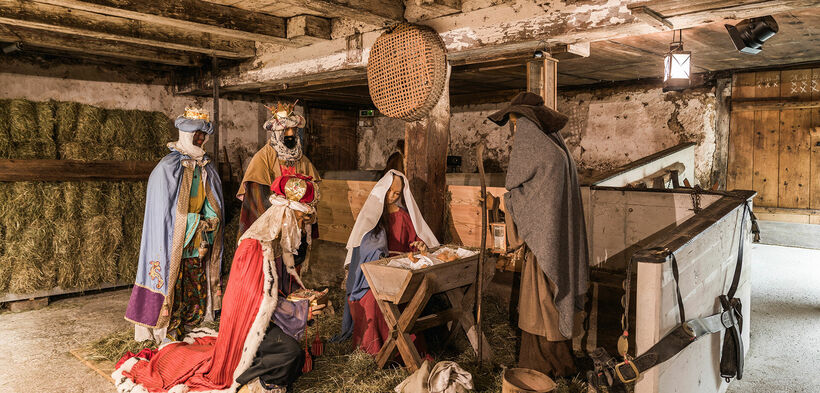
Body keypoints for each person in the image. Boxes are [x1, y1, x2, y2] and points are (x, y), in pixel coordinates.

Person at [114, 175, 322, 393]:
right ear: (285, 215)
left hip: (261, 319)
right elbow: (255, 300)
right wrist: (297, 311)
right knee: (290, 353)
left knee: (294, 354)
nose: (301, 226)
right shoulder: (254, 246)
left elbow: (274, 289)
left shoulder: (274, 242)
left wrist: (304, 300)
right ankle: (250, 384)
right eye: (300, 219)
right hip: (246, 324)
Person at [488, 92, 589, 378]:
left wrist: (505, 202)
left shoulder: (538, 148)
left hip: (544, 247)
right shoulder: (558, 153)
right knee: (548, 304)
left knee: (541, 305)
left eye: (515, 123)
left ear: (527, 124)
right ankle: (559, 364)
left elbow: (523, 197)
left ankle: (542, 368)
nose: (514, 131)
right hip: (557, 242)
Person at [125, 107, 224, 343]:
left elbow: (212, 200)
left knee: (194, 277)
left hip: (197, 238)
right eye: (196, 135)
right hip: (173, 238)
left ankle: (193, 322)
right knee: (174, 280)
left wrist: (210, 219)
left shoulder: (206, 166)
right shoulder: (167, 168)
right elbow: (163, 213)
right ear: (186, 134)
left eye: (203, 136)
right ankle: (169, 327)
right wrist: (193, 221)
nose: (200, 140)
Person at [333, 170, 439, 355]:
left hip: (399, 273)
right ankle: (373, 351)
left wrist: (420, 246)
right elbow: (362, 249)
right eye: (389, 191)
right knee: (372, 301)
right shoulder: (371, 216)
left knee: (404, 300)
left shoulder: (404, 216)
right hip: (371, 275)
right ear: (383, 189)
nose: (392, 196)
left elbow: (414, 244)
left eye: (397, 193)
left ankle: (400, 352)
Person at [237, 101, 321, 237]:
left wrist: (306, 210)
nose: (290, 135)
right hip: (272, 219)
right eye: (285, 131)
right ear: (277, 133)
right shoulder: (263, 157)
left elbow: (312, 190)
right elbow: (256, 194)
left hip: (298, 220)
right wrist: (281, 212)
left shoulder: (302, 159)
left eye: (293, 131)